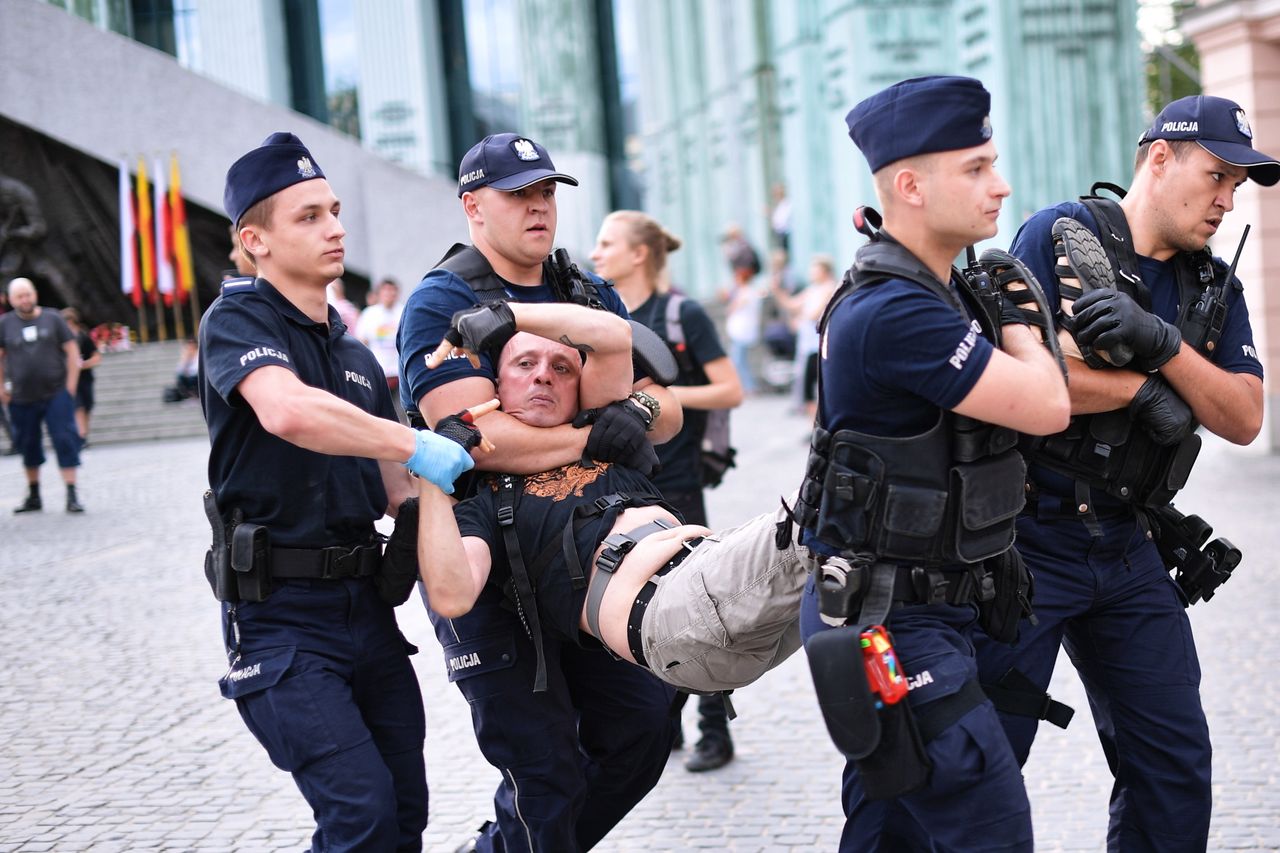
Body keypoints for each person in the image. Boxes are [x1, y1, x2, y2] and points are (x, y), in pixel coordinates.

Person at [972, 94, 1272, 853]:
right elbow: (1023, 379)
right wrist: (1145, 391)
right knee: (978, 762)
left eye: (1237, 185)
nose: (1226, 200)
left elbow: (1242, 416)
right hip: (1025, 541)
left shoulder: (1214, 289)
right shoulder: (1058, 235)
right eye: (1217, 176)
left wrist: (1165, 346)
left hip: (1130, 544)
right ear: (1160, 158)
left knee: (1173, 769)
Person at [792, 76, 1070, 851]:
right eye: (976, 167)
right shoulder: (897, 310)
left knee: (890, 835)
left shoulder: (938, 290)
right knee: (992, 829)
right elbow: (1048, 406)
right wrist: (1021, 321)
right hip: (891, 621)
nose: (1001, 184)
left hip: (927, 609)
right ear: (909, 186)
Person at [396, 132, 683, 853]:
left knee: (643, 727)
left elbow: (666, 404)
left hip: (583, 551)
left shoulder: (583, 289)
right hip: (486, 555)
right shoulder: (442, 303)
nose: (539, 208)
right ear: (472, 206)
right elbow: (475, 436)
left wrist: (636, 415)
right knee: (543, 771)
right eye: (518, 194)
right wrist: (596, 436)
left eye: (547, 193)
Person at [199, 132, 475, 852]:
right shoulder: (239, 320)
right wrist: (413, 442)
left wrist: (469, 466)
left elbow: (395, 490)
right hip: (281, 619)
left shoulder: (354, 352)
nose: (336, 228)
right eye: (309, 216)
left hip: (367, 611)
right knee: (361, 816)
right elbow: (288, 411)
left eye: (335, 210)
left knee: (404, 815)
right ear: (254, 240)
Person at [416, 300, 809, 698]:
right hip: (669, 615)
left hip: (727, 600)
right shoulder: (487, 502)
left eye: (562, 368)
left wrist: (507, 314)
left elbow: (613, 337)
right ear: (496, 385)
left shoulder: (606, 436)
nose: (543, 377)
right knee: (823, 507)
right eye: (524, 364)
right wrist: (433, 471)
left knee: (852, 552)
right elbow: (452, 596)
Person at [590, 209, 745, 771]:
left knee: (698, 605)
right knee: (635, 600)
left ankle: (714, 728)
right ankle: (666, 721)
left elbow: (730, 389)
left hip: (677, 482)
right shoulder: (597, 315)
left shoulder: (682, 313)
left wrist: (658, 398)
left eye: (607, 243)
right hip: (622, 484)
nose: (596, 251)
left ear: (639, 254)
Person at [0, 277, 85, 513]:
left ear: (35, 294)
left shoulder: (53, 318)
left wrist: (70, 385)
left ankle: (71, 493)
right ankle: (34, 493)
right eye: (19, 296)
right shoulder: (5, 324)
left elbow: (72, 350)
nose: (25, 299)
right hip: (21, 396)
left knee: (65, 439)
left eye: (28, 294)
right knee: (27, 443)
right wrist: (1, 388)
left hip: (56, 393)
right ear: (11, 299)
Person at [778, 255, 838, 422]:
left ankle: (823, 425)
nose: (812, 274)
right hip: (807, 346)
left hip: (819, 346)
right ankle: (814, 427)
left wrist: (799, 319)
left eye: (815, 270)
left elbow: (814, 314)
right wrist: (777, 290)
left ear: (825, 271)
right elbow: (791, 304)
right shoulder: (812, 289)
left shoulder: (829, 288)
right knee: (808, 389)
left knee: (822, 389)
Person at [356, 277, 404, 405]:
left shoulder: (403, 312)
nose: (390, 294)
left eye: (393, 291)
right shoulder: (369, 314)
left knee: (402, 412)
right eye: (386, 291)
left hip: (400, 373)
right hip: (378, 371)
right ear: (380, 293)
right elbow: (361, 342)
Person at [60, 307, 100, 446]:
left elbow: (97, 357)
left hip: (85, 378)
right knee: (78, 407)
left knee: (87, 406)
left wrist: (84, 364)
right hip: (71, 378)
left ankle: (84, 435)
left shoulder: (84, 337)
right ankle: (81, 436)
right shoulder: (60, 341)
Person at [163, 338, 199, 403]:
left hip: (196, 376)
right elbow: (179, 370)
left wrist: (188, 372)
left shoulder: (198, 354)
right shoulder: (187, 355)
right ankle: (189, 395)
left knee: (192, 378)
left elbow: (197, 369)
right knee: (180, 377)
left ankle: (195, 394)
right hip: (188, 376)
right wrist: (185, 360)